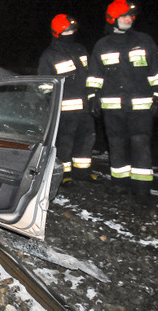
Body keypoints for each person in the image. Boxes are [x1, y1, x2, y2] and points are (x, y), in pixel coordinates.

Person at [86, 0, 158, 205]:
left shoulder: (145, 41)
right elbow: (94, 75)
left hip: (141, 108)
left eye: (131, 16)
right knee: (116, 145)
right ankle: (119, 184)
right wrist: (92, 97)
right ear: (112, 19)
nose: (128, 19)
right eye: (123, 16)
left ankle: (142, 189)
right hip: (112, 109)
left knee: (140, 144)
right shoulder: (102, 45)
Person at [38, 14, 97, 186]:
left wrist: (94, 97)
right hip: (65, 110)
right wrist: (52, 104)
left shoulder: (80, 49)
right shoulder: (49, 56)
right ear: (57, 32)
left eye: (72, 30)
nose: (71, 33)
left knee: (87, 139)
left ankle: (83, 172)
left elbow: (92, 73)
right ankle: (63, 174)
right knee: (65, 142)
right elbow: (44, 86)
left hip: (86, 108)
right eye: (67, 30)